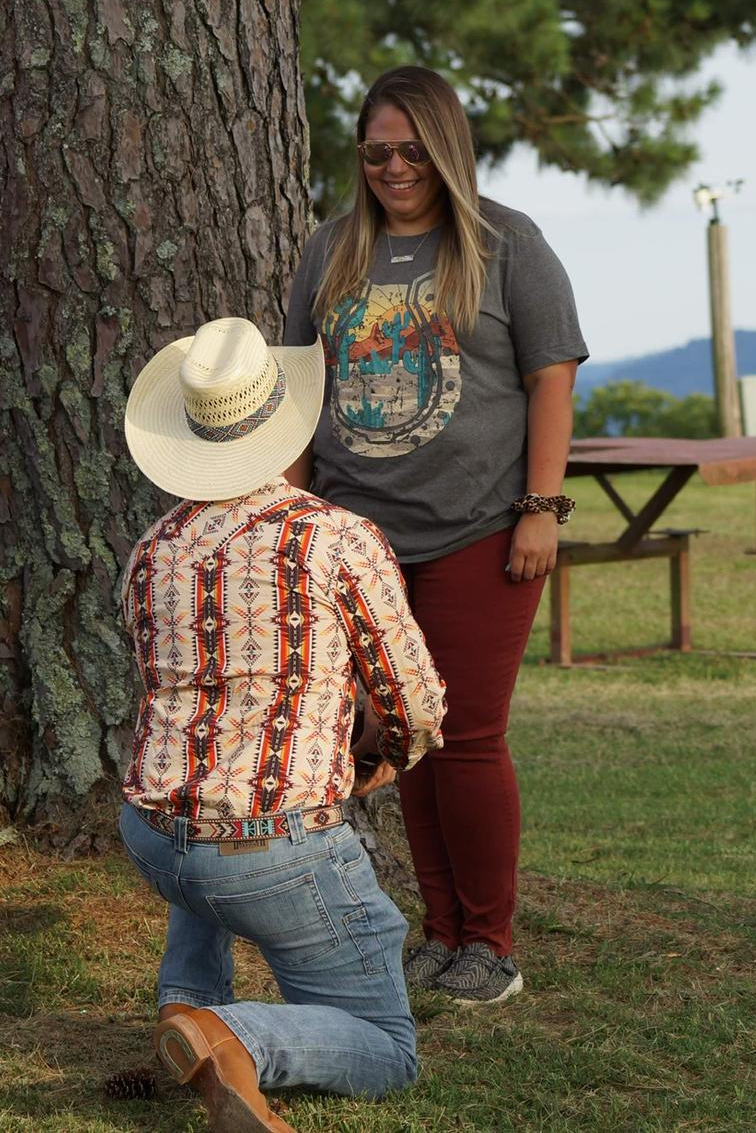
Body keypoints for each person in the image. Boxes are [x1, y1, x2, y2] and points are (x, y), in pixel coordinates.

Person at [281, 67, 587, 1006]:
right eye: (377, 152)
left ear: (448, 148)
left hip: (480, 531)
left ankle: (490, 943)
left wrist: (542, 509)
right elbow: (297, 393)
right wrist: (294, 523)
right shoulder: (329, 250)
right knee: (404, 737)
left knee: (469, 736)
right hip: (359, 543)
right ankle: (440, 931)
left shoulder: (506, 244)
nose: (395, 167)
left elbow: (551, 379)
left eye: (413, 150)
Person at [119, 316, 448, 1130]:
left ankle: (186, 1004)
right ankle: (229, 1033)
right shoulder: (332, 539)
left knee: (203, 841)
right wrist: (388, 757)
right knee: (386, 1043)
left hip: (153, 836)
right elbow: (414, 700)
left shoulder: (153, 550)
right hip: (271, 849)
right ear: (286, 420)